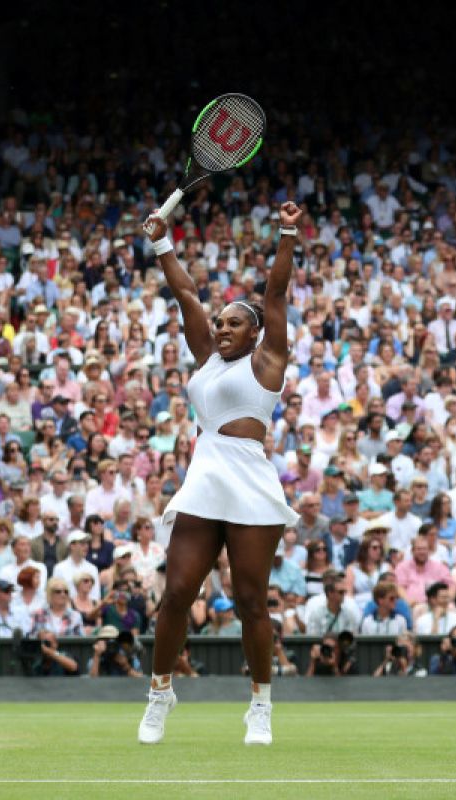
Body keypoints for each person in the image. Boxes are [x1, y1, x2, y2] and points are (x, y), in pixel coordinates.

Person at [135, 201, 302, 746]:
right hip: (205, 478)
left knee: (252, 600)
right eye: (221, 321)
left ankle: (260, 706)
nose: (223, 326)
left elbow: (274, 294)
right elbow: (186, 293)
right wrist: (162, 243)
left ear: (256, 334)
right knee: (178, 591)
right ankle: (160, 694)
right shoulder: (207, 357)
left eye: (235, 322)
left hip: (251, 483)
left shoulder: (267, 361)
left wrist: (286, 232)